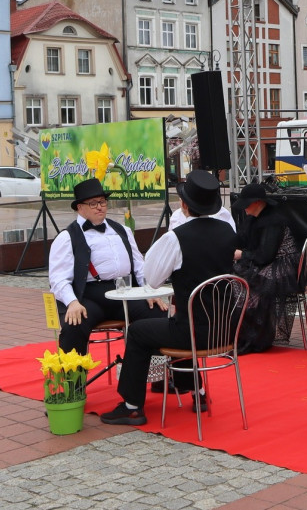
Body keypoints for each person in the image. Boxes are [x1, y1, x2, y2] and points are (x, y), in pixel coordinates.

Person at [100, 170, 240, 426]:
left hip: (192, 332)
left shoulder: (176, 238)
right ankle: (196, 391)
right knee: (173, 324)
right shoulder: (228, 232)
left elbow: (152, 280)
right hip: (224, 329)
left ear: (185, 205)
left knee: (140, 331)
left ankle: (132, 406)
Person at [48, 177, 165, 355]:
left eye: (102, 202)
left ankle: (164, 380)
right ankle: (74, 382)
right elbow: (58, 279)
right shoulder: (66, 237)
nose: (100, 207)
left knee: (159, 314)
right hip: (91, 297)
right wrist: (72, 303)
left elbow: (139, 266)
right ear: (80, 208)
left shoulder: (122, 230)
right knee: (74, 325)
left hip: (124, 294)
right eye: (93, 203)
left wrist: (149, 290)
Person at [232, 181, 301, 352]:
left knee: (253, 283)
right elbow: (242, 241)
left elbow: (265, 255)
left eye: (246, 204)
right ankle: (247, 334)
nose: (244, 208)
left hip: (282, 264)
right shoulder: (252, 219)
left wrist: (242, 255)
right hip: (266, 261)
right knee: (236, 279)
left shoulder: (273, 221)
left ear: (256, 203)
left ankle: (255, 337)